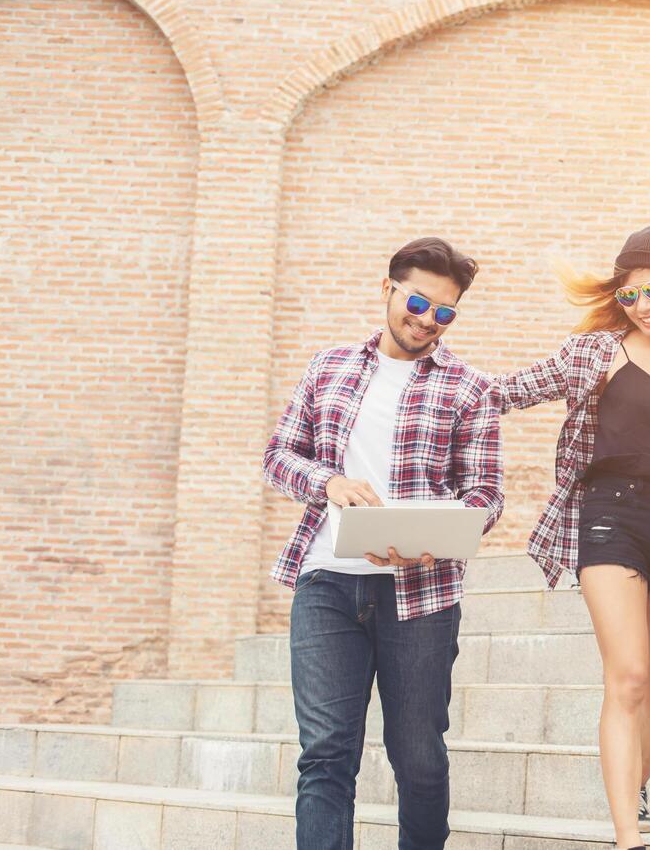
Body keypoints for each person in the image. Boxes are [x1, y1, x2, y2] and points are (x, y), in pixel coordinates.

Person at [497, 224, 650, 850]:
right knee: (629, 677)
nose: (644, 306)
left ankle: (633, 785)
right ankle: (626, 838)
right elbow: (510, 390)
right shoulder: (596, 352)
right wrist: (426, 375)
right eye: (630, 296)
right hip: (611, 514)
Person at [262, 236, 504, 850]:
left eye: (444, 313)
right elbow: (278, 458)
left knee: (419, 756)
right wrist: (329, 482)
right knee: (325, 754)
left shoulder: (470, 389)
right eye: (418, 303)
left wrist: (431, 540)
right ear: (389, 289)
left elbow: (486, 496)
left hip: (420, 597)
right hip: (326, 583)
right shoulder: (329, 367)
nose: (427, 321)